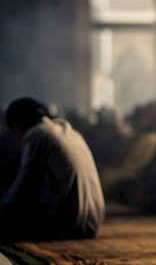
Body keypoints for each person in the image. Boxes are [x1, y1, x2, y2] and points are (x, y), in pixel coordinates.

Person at [0, 97, 105, 241]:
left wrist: (3, 206)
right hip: (93, 222)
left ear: (18, 124)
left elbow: (24, 183)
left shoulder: (36, 134)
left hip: (68, 225)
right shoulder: (68, 130)